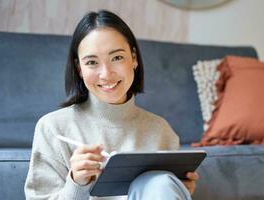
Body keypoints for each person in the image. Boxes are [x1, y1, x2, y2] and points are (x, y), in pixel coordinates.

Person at [24, 10, 199, 200]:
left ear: (134, 58)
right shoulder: (52, 128)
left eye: (117, 58)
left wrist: (176, 190)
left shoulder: (161, 130)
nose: (106, 74)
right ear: (79, 69)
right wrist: (76, 183)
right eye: (92, 62)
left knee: (161, 183)